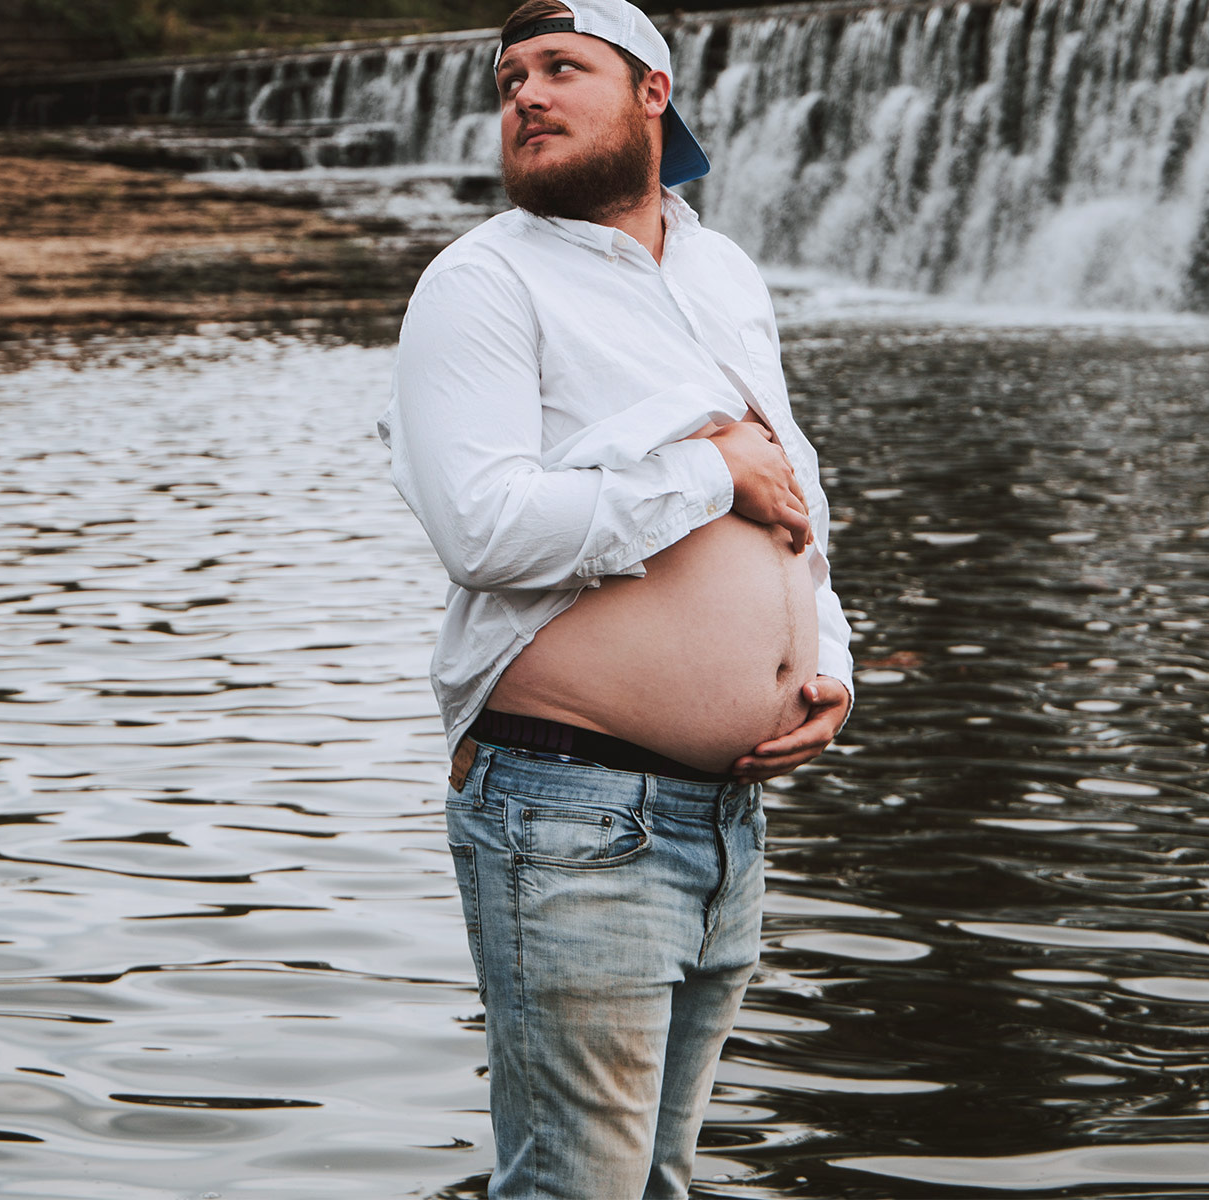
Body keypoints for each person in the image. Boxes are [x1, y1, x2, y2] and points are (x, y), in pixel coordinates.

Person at [375, 0, 853, 1194]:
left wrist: (825, 660)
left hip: (725, 825)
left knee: (659, 1184)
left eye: (561, 68)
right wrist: (703, 474)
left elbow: (791, 485)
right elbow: (482, 529)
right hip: (568, 808)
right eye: (509, 81)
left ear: (654, 92)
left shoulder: (721, 270)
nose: (526, 95)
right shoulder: (481, 282)